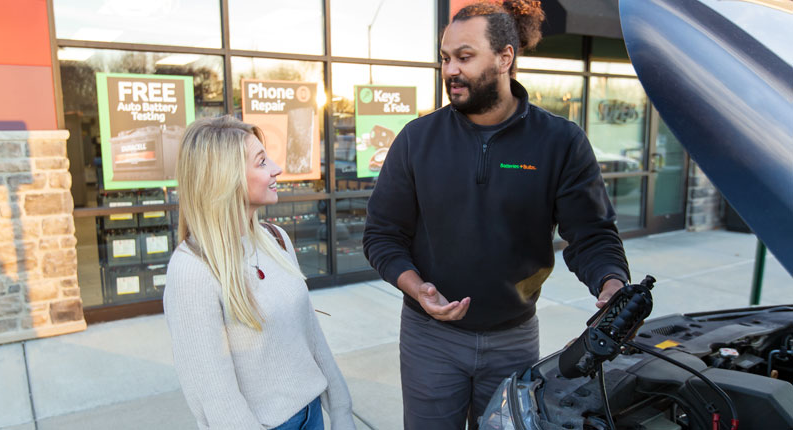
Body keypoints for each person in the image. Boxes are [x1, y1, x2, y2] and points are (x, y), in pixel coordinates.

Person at [362, 1, 631, 429]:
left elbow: (592, 234)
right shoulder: (417, 139)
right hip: (430, 339)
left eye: (464, 57)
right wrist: (418, 289)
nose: (451, 70)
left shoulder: (560, 141)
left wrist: (611, 284)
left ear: (505, 57)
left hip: (514, 339)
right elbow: (382, 234)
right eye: (445, 58)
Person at [164, 115, 356, 430]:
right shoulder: (192, 269)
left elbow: (310, 334)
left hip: (312, 415)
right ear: (226, 177)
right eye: (262, 161)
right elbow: (214, 395)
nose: (277, 168)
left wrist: (341, 407)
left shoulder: (275, 238)